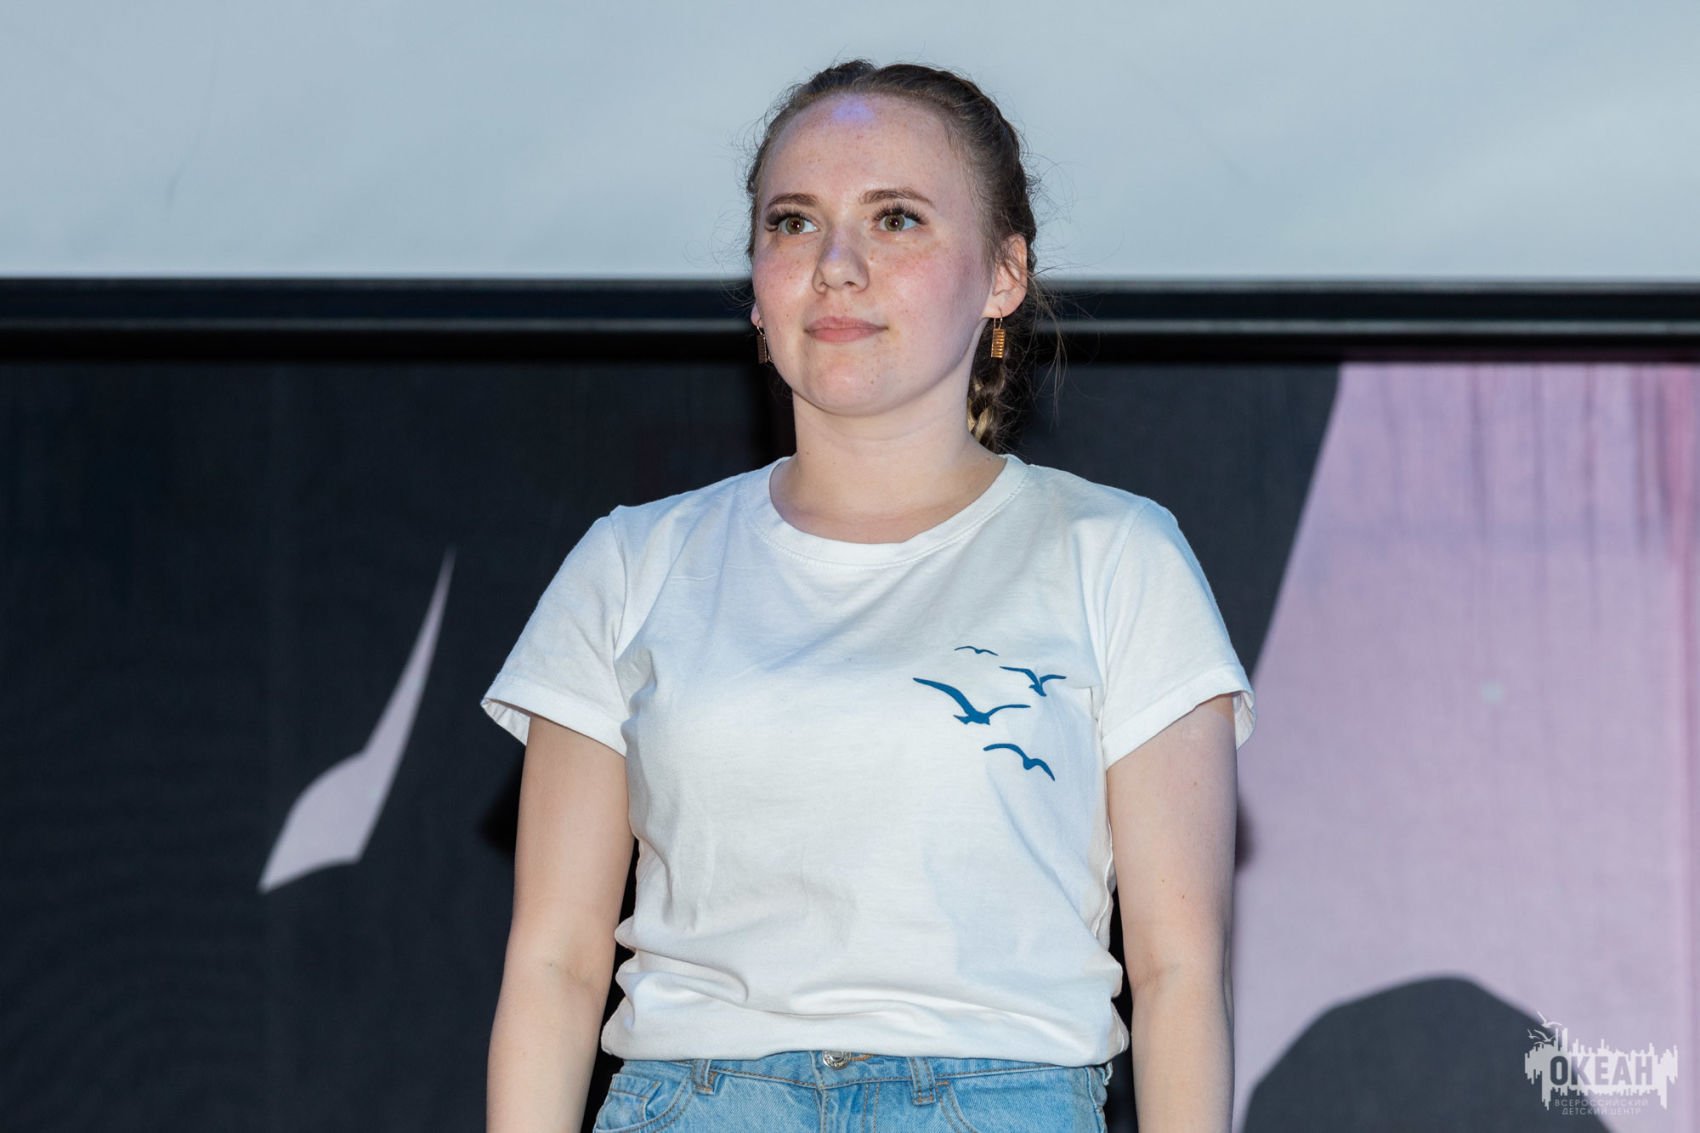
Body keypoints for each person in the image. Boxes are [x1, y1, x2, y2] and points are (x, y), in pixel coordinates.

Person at [480, 60, 1255, 1133]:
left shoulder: (1115, 556)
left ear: (1003, 273)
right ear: (756, 284)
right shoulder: (633, 562)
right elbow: (555, 963)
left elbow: (1178, 970)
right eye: (793, 223)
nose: (835, 266)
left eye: (895, 219)